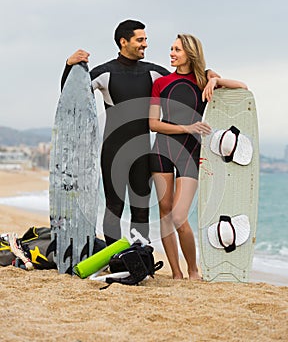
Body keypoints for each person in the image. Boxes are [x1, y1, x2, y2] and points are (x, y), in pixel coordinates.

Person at [61, 20, 218, 246]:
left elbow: (187, 75)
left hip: (144, 151)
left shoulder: (154, 73)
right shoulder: (105, 73)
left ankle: (139, 257)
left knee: (141, 210)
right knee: (114, 207)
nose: (146, 44)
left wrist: (211, 74)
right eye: (140, 40)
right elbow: (70, 94)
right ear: (124, 42)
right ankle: (115, 257)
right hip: (114, 150)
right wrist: (69, 65)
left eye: (145, 39)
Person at [149, 34, 247, 280]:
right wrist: (187, 128)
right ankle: (176, 273)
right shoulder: (161, 83)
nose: (172, 53)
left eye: (177, 50)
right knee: (164, 212)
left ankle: (193, 271)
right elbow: (153, 124)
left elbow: (242, 87)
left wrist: (215, 81)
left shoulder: (203, 79)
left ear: (190, 53)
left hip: (190, 153)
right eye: (171, 49)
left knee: (179, 216)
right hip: (162, 150)